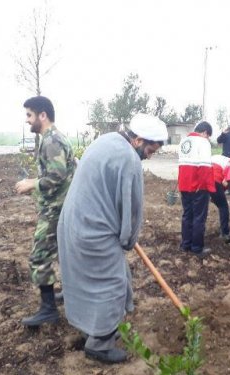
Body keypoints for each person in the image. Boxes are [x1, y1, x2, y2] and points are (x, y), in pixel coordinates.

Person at [57, 113, 168, 364]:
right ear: (139, 140)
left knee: (88, 281)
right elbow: (131, 207)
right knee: (112, 285)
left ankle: (92, 325)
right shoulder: (129, 159)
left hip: (72, 223)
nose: (151, 154)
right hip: (94, 232)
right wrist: (128, 238)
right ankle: (99, 344)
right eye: (151, 148)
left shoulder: (105, 140)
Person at [15, 96, 75, 326]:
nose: (27, 120)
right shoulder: (51, 139)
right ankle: (69, 295)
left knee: (38, 257)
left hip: (55, 210)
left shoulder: (52, 141)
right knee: (64, 256)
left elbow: (56, 176)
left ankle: (48, 309)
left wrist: (33, 183)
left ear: (43, 115)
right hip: (57, 208)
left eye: (29, 115)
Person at [178, 121, 215, 258]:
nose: (208, 138)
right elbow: (205, 168)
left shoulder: (184, 141)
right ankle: (197, 248)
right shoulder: (203, 142)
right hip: (198, 185)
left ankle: (185, 244)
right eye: (208, 136)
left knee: (187, 215)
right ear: (205, 132)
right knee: (199, 216)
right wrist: (209, 187)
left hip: (184, 184)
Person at [210, 154, 230, 244]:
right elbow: (225, 183)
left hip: (204, 177)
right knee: (224, 207)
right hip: (215, 179)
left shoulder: (225, 159)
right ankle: (225, 233)